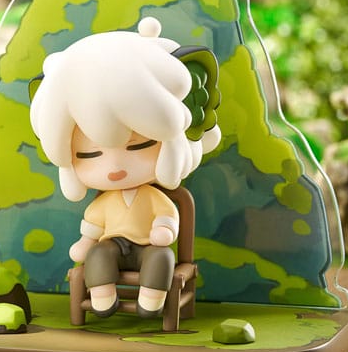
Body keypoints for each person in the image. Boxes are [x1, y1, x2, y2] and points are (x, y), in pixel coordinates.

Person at [29, 16, 220, 318]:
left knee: (161, 258)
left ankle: (151, 300)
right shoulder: (104, 203)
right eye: (90, 154)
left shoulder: (156, 197)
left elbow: (167, 219)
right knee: (97, 254)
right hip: (112, 245)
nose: (115, 166)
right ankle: (103, 297)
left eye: (139, 146)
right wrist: (85, 242)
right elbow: (92, 229)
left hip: (149, 247)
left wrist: (163, 229)